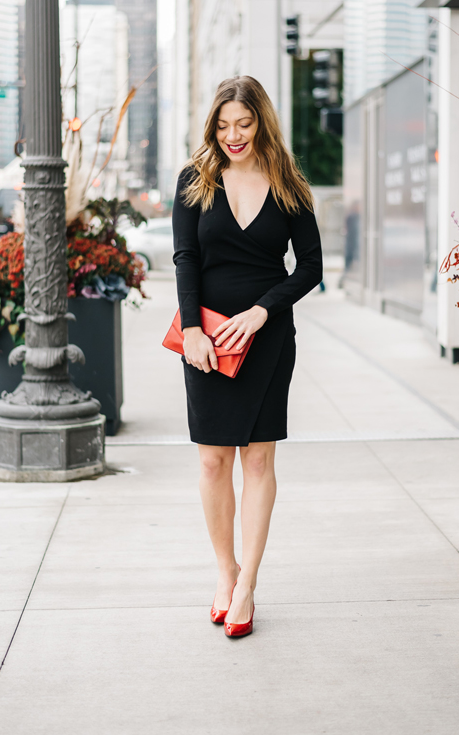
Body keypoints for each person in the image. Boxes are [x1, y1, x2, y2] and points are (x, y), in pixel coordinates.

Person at [172, 75, 322, 638]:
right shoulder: (196, 178)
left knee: (258, 461)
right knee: (213, 460)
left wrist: (262, 312)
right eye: (223, 125)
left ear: (261, 121)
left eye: (244, 123)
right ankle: (223, 572)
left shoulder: (288, 182)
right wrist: (192, 330)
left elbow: (310, 266)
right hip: (205, 341)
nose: (234, 136)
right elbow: (186, 257)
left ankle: (248, 584)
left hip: (266, 340)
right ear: (213, 126)